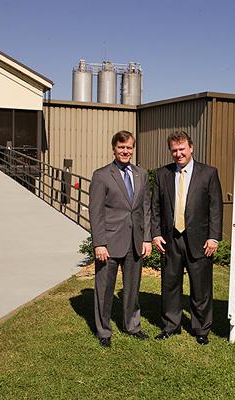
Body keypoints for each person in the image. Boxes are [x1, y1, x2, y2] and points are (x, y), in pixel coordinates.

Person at [152, 131, 223, 345]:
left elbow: (215, 208)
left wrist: (214, 237)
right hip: (170, 239)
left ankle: (201, 328)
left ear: (191, 148)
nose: (178, 153)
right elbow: (155, 207)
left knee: (201, 287)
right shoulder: (162, 174)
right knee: (170, 285)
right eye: (174, 150)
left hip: (200, 240)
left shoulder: (208, 173)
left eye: (182, 149)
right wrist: (155, 234)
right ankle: (171, 325)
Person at [89, 130, 152, 348]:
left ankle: (132, 325)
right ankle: (104, 330)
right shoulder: (102, 175)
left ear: (133, 149)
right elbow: (95, 212)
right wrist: (99, 243)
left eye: (129, 148)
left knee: (132, 288)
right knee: (105, 289)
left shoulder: (141, 174)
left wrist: (147, 238)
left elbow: (145, 208)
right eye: (121, 147)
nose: (125, 151)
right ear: (114, 149)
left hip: (135, 242)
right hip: (109, 242)